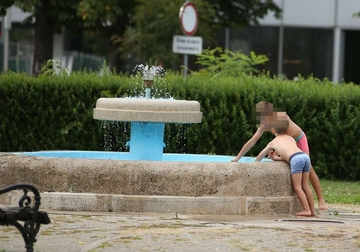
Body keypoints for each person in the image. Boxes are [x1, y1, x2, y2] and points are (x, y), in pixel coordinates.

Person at [231, 101, 328, 210]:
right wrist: (237, 158)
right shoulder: (263, 125)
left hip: (298, 139)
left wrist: (277, 152)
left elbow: (286, 138)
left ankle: (321, 199)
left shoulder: (282, 117)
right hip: (287, 142)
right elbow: (252, 141)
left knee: (309, 169)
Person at [254, 119, 316, 217]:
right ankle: (312, 211)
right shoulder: (291, 139)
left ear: (273, 130)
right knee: (305, 186)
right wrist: (277, 158)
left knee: (297, 188)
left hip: (295, 159)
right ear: (288, 131)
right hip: (304, 157)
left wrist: (256, 162)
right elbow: (290, 153)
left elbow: (260, 156)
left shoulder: (272, 142)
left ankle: (306, 210)